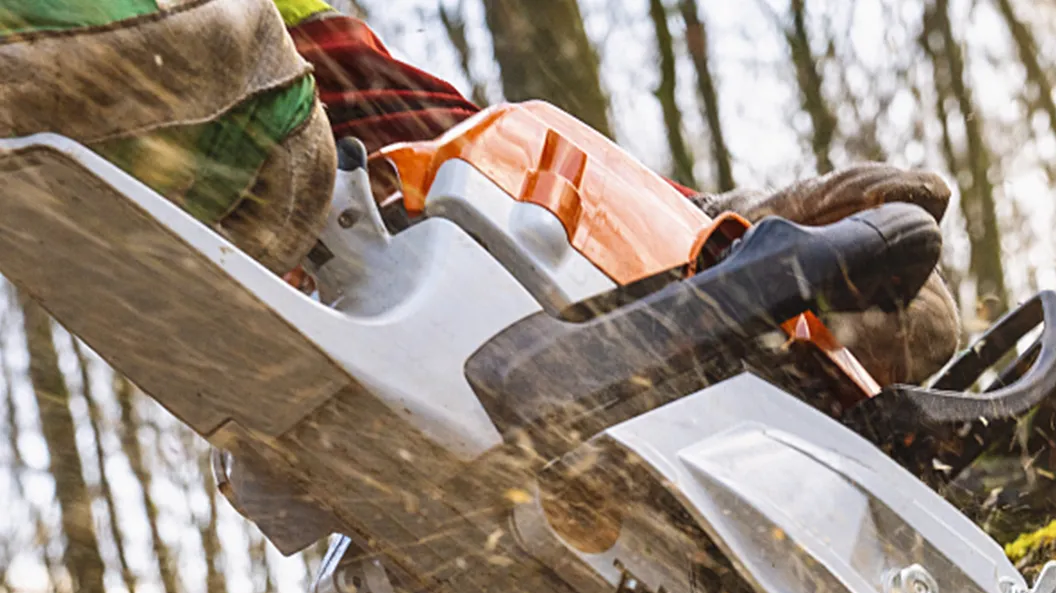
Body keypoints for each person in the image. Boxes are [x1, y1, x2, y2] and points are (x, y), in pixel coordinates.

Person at [0, 0, 957, 381]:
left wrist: (694, 228)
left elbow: (397, 119)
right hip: (281, 175)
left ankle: (705, 242)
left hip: (345, 147)